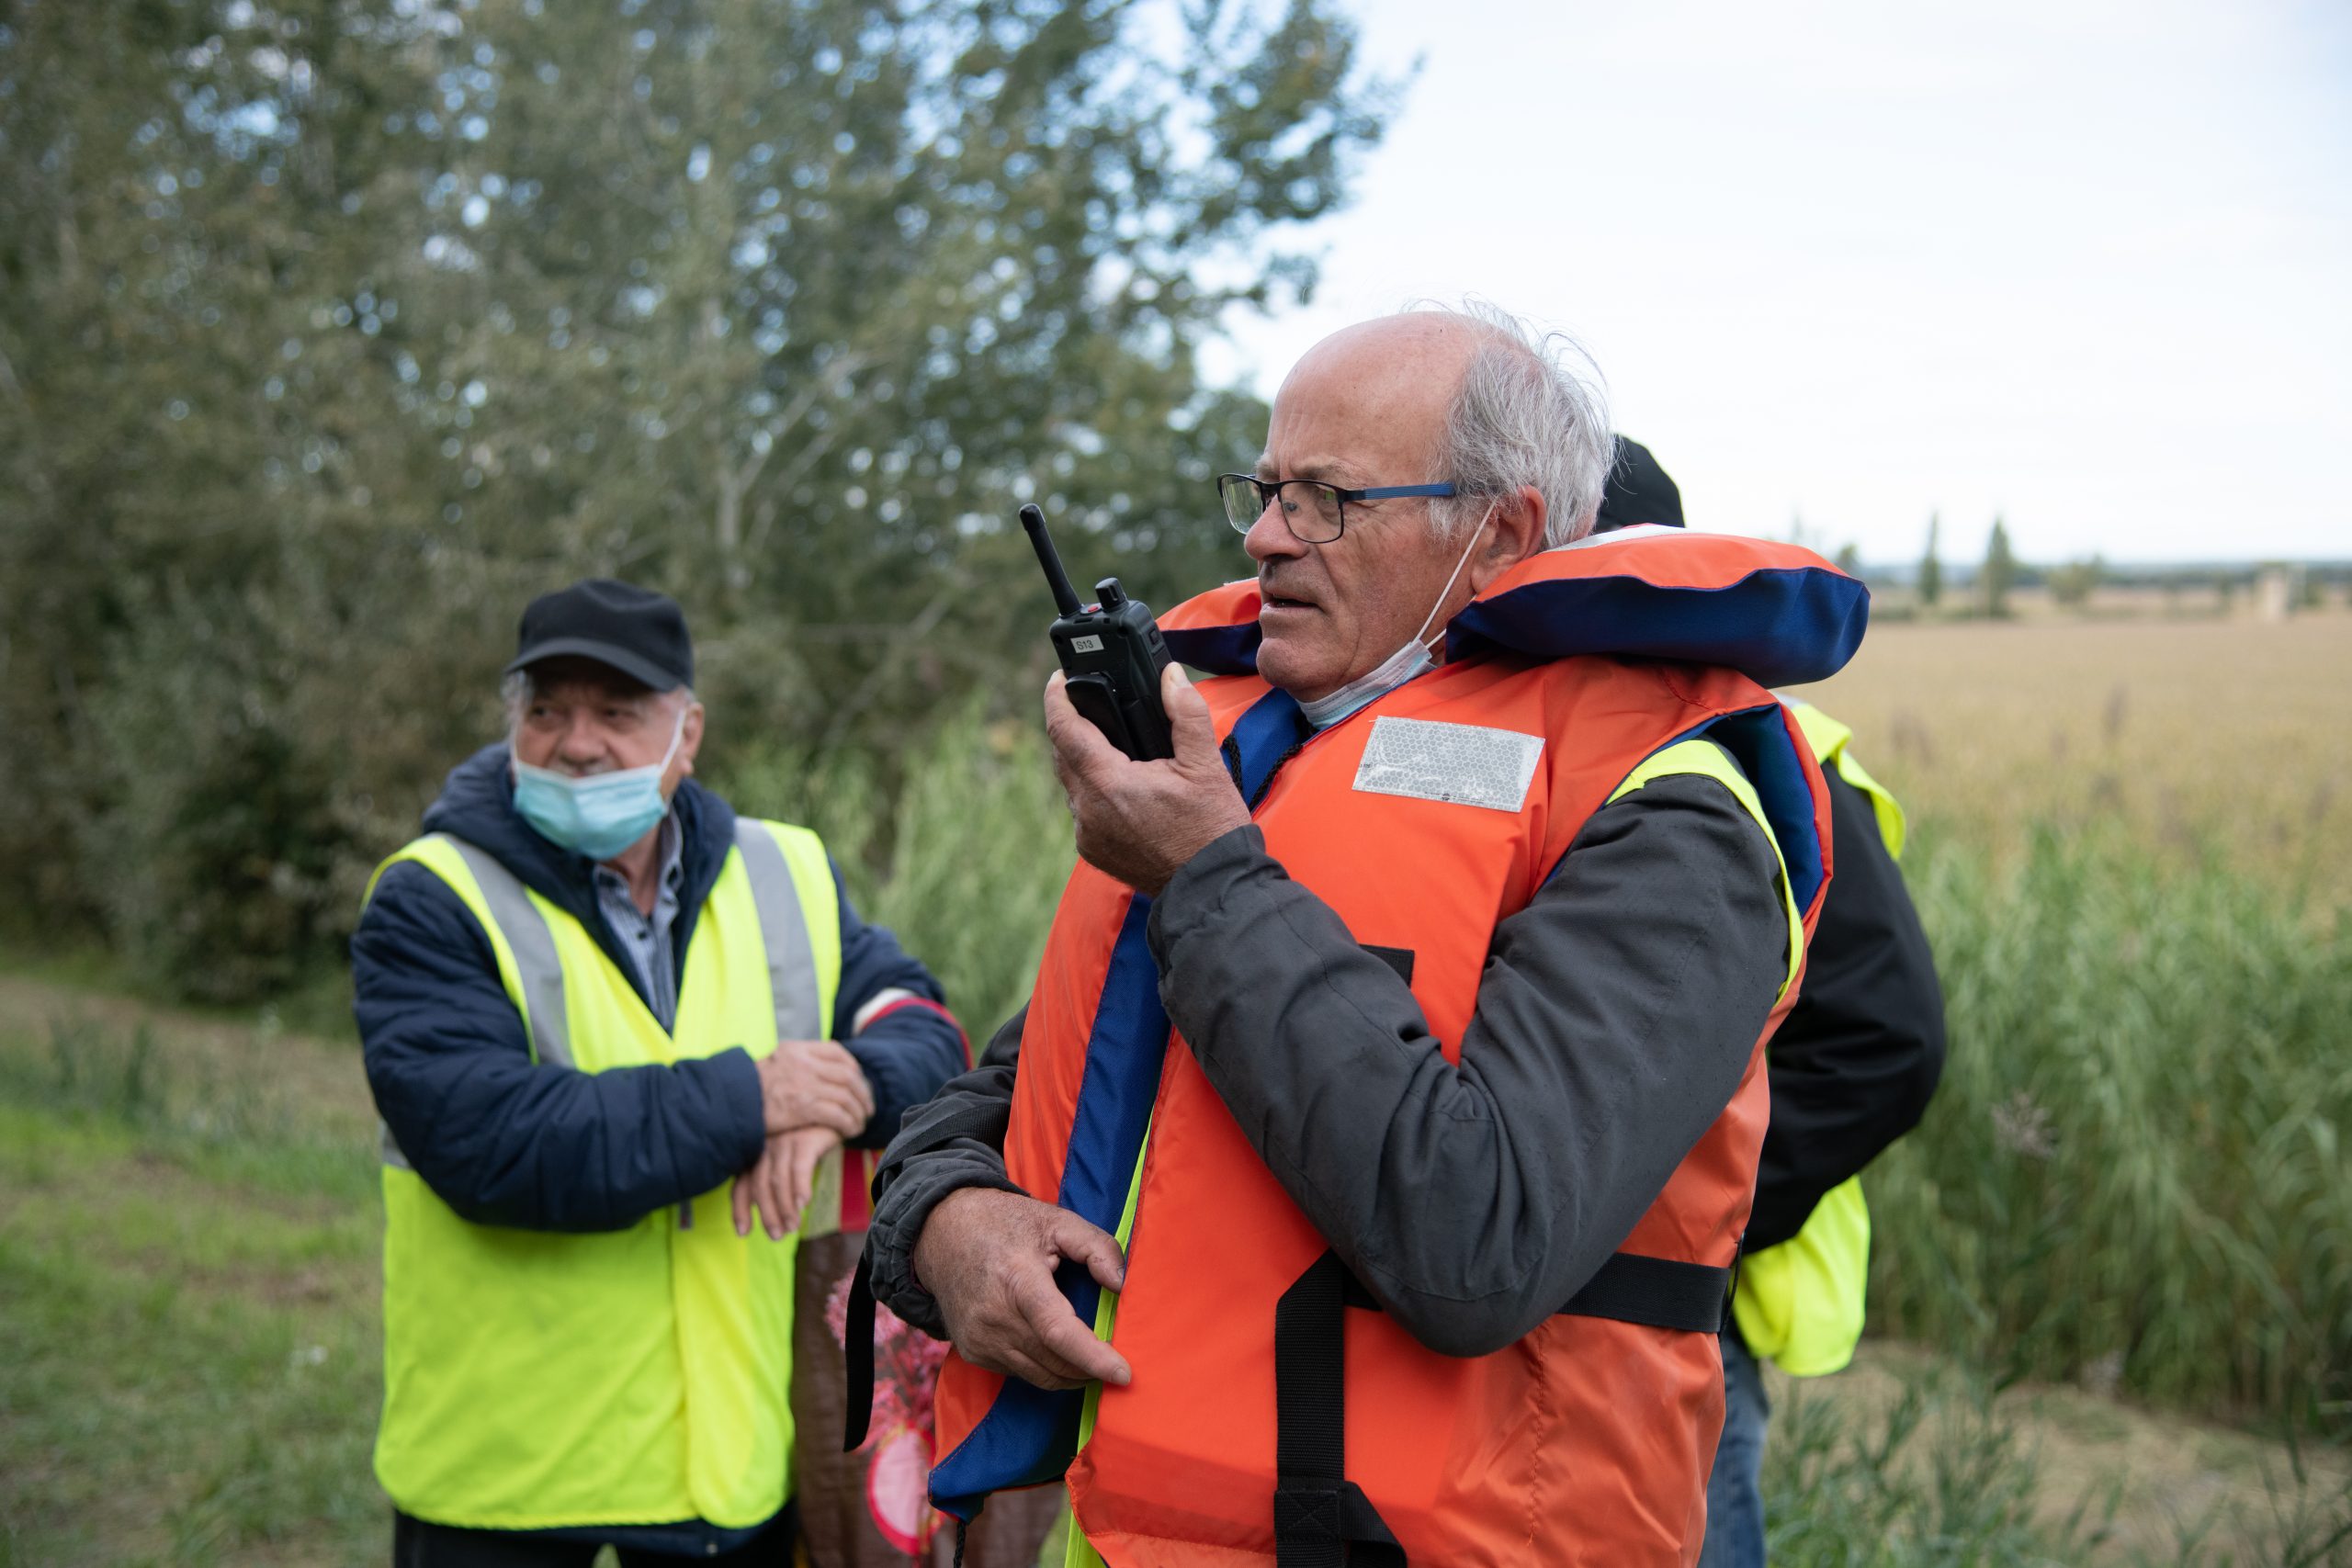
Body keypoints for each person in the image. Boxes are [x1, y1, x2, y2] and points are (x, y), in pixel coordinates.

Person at [858, 307, 1871, 1564]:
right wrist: (945, 1218)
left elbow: (1478, 1238)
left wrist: (1207, 878)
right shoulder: (1257, 758)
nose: (1264, 534)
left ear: (1499, 532)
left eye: (1328, 499)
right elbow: (1009, 1092)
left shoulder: (1674, 809)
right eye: (1267, 486)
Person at [353, 579, 969, 1566]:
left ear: (688, 736)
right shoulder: (431, 896)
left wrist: (842, 1093)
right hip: (509, 1476)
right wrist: (758, 1096)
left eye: (616, 713)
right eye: (546, 710)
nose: (578, 741)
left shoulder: (786, 871)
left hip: (734, 1467)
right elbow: (489, 1140)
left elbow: (925, 1028)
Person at [1594, 440, 1946, 1568]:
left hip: (1689, 1293)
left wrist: (1678, 1208)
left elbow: (1885, 1042)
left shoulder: (1766, 756)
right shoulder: (1558, 742)